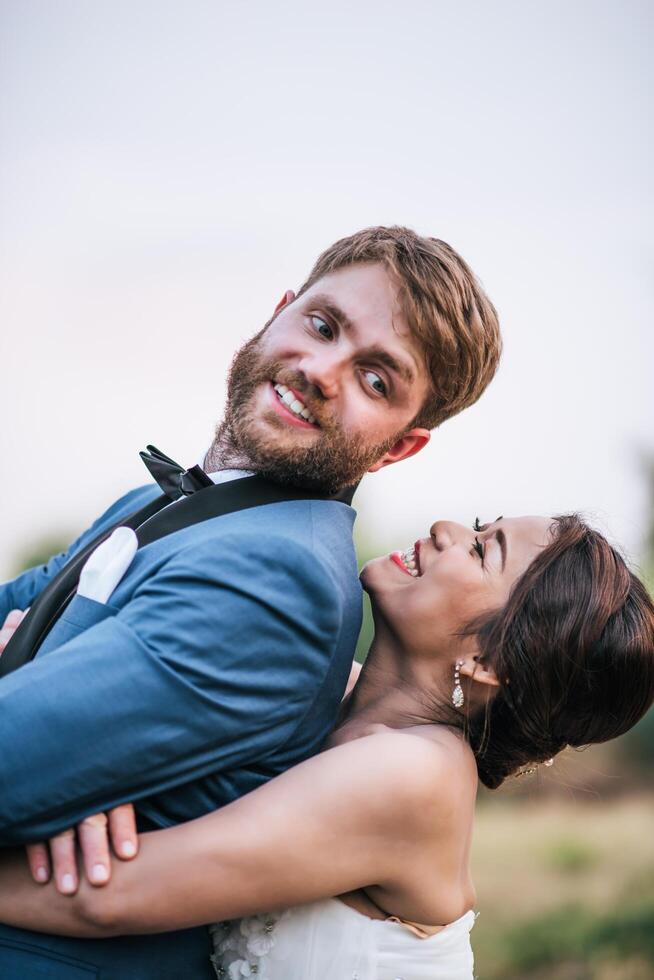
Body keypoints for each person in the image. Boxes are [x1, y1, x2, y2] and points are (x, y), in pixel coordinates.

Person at [0, 226, 502, 978]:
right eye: (323, 326)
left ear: (400, 446)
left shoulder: (278, 579)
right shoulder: (161, 502)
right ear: (280, 312)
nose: (322, 370)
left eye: (375, 380)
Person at [1, 514, 652, 980]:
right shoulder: (328, 690)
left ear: (489, 661)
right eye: (482, 524)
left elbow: (107, 896)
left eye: (483, 551)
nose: (449, 528)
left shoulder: (417, 775)